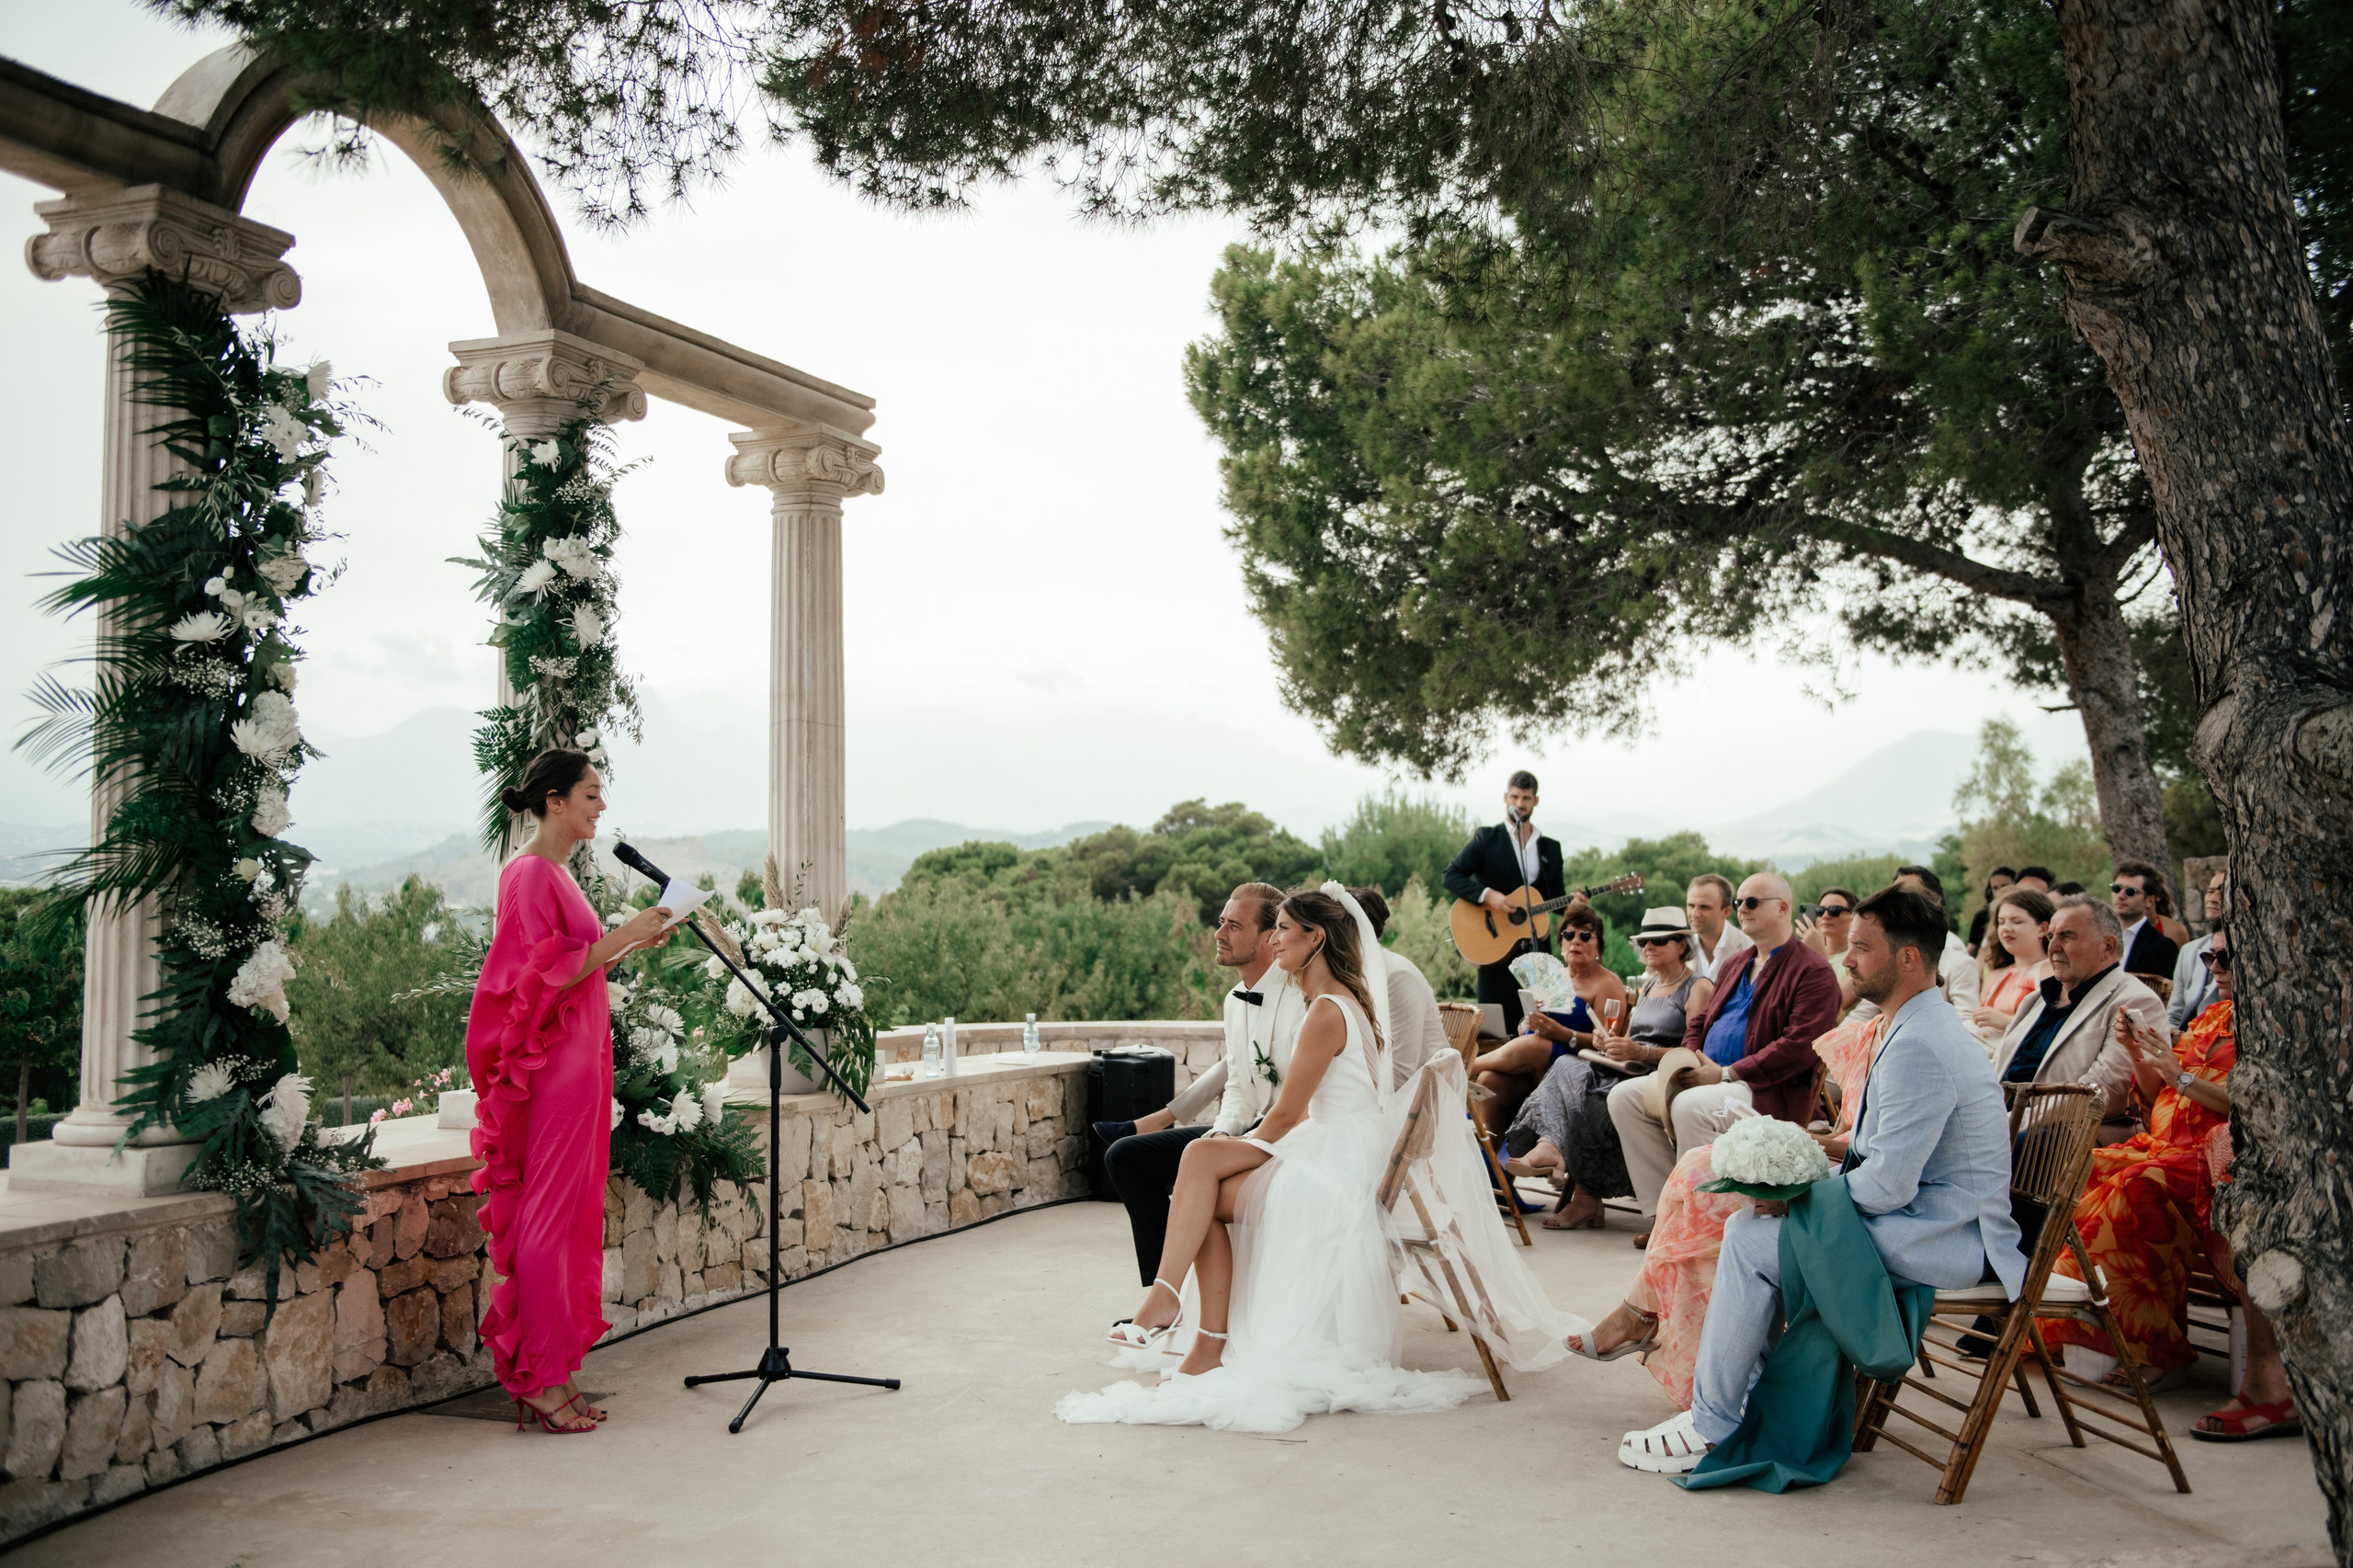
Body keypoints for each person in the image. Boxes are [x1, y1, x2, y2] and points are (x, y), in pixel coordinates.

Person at [1059, 887, 1585, 1433]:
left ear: (1315, 939)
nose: (1275, 939)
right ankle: (1191, 1329)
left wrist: (1240, 1154)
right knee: (1202, 1173)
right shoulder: (1344, 1003)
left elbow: (1285, 1118)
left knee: (1198, 1162)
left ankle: (1173, 1313)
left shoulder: (1327, 1012)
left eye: (1283, 929)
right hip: (1345, 1152)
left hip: (1338, 1170)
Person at [1620, 886, 2028, 1472]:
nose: (1849, 960)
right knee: (1744, 1223)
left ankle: (1714, 1424)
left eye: (1861, 948)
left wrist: (1796, 1200)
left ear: (1908, 959)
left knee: (1750, 1238)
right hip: (1928, 1218)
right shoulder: (1911, 1027)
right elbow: (1878, 1165)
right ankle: (1731, 1405)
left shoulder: (1922, 1044)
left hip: (1949, 1235)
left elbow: (1887, 1188)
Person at [465, 748, 674, 1434]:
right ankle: (539, 1381)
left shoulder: (555, 873)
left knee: (572, 1213)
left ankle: (557, 1371)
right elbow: (538, 973)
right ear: (554, 800)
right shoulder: (528, 873)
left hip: (582, 1064)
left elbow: (577, 962)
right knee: (549, 1217)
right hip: (554, 1069)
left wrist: (631, 942)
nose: (601, 805)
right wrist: (628, 931)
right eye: (590, 794)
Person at [1566, 1009, 1888, 1401]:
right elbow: (1845, 1129)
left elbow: (1872, 1157)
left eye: (1860, 949)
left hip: (1849, 1181)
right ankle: (1646, 1320)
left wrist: (1796, 1136)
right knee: (1694, 1170)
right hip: (1830, 1153)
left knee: (1706, 1193)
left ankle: (1654, 1331)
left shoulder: (1910, 1046)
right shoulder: (1872, 1031)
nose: (1850, 963)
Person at [2042, 928, 2237, 1389]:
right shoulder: (2212, 1016)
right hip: (2167, 1144)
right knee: (2083, 1168)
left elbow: (2248, 1108)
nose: (2215, 966)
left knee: (2138, 1187)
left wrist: (2179, 1073)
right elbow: (2156, 1096)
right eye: (2211, 956)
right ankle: (2083, 1333)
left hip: (2219, 1157)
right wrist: (2139, 1055)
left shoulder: (2273, 1027)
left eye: (2228, 957)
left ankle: (2159, 1349)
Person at [1607, 872, 1841, 1219]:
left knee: (1689, 1106)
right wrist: (1686, 1059)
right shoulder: (1736, 963)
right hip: (1708, 1076)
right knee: (1624, 1097)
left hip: (1763, 1089)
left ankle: (1703, 1221)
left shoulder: (1812, 971)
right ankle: (1666, 1216)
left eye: (1752, 902)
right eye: (1739, 902)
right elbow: (1701, 1021)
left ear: (1783, 908)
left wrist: (1727, 1073)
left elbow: (1799, 1046)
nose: (1741, 909)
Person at [1100, 882, 1294, 1287]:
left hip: (1286, 1139)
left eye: (1234, 926)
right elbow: (1240, 1084)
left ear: (1269, 937)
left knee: (1198, 1161)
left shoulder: (1300, 996)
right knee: (1124, 1157)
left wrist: (1231, 1143)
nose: (1219, 934)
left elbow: (1298, 1098)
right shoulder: (1233, 1000)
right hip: (1246, 1130)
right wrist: (1222, 1131)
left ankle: (1180, 1299)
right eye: (1221, 922)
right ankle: (1163, 1292)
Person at [1502, 909, 1713, 1230]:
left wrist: (1639, 1051)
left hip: (1659, 1078)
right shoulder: (1650, 986)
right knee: (1565, 1066)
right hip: (1626, 1067)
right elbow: (1630, 1039)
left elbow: (1695, 1052)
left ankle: (1582, 1195)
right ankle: (1549, 1147)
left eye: (1659, 940)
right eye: (1644, 941)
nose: (1649, 947)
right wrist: (1610, 1042)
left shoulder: (1696, 987)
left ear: (1682, 945)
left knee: (1586, 1101)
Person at [1992, 896, 2165, 1116]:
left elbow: (2103, 1092)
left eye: (2066, 936)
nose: (2052, 947)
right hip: (2001, 1121)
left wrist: (2004, 1128)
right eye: (2050, 936)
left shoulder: (2135, 1001)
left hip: (2067, 1138)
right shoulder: (2036, 998)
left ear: (2108, 946)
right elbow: (1997, 1066)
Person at [1469, 903, 1627, 1139]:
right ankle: (1495, 1172)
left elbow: (1606, 1045)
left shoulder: (1607, 984)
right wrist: (1526, 1023)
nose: (1576, 941)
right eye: (1569, 935)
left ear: (1598, 946)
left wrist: (1562, 1033)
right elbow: (1526, 1028)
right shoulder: (1554, 977)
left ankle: (1462, 1067)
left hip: (1576, 1069)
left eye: (1585, 936)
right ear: (1561, 943)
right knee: (1488, 1082)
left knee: (1535, 1046)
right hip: (1531, 1063)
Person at [1442, 770, 1564, 1038]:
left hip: (1536, 956)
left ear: (1536, 801)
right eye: (1515, 796)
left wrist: (1575, 904)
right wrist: (1489, 895)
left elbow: (1558, 902)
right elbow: (1451, 876)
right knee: (1493, 1034)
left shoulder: (1550, 848)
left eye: (1527, 798)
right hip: (1494, 952)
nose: (1520, 803)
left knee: (1541, 1031)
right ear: (1505, 797)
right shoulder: (1487, 838)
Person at [1970, 887, 2055, 1048]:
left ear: (2043, 929)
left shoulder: (2053, 972)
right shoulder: (1995, 976)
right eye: (2001, 922)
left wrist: (2008, 1021)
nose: (2006, 928)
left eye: (2017, 922)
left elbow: (2055, 1027)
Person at [2169, 869, 2229, 1029]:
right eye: (2210, 891)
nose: (2213, 899)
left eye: (2222, 891)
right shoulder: (2189, 951)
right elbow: (2174, 1013)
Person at [2112, 861, 2182, 980]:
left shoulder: (2163, 947)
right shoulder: (2097, 937)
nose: (2121, 895)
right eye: (2116, 888)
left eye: (2130, 891)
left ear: (2149, 901)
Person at [1685, 874, 1754, 983]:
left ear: (1726, 912)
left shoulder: (1750, 948)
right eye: (1691, 906)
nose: (1695, 914)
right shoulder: (1681, 948)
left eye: (1705, 907)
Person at [1966, 868, 2018, 956]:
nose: (2000, 891)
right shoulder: (1982, 916)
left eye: (2004, 886)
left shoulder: (2025, 910)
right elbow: (1971, 950)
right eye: (1995, 888)